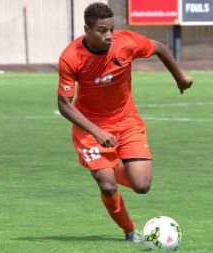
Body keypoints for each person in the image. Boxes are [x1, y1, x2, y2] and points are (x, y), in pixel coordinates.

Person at [57, 2, 193, 242]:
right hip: (90, 127)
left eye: (111, 29)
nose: (108, 35)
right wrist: (97, 131)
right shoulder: (71, 57)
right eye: (101, 30)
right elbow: (64, 104)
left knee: (142, 185)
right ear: (87, 30)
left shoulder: (126, 43)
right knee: (107, 186)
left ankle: (106, 170)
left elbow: (159, 48)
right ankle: (130, 231)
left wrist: (179, 78)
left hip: (127, 121)